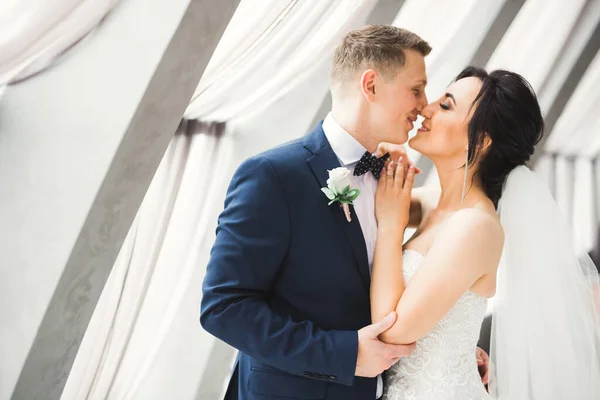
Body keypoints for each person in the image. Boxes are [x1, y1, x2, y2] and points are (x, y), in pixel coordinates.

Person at [200, 25, 489, 400]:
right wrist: (344, 355)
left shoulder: (394, 177)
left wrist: (456, 353)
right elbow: (224, 307)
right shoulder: (272, 176)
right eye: (416, 89)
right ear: (370, 86)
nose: (423, 104)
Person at [373, 66, 600, 399]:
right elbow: (371, 208)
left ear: (480, 140)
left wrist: (392, 227)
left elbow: (392, 333)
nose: (427, 107)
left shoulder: (475, 225)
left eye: (446, 105)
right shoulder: (438, 204)